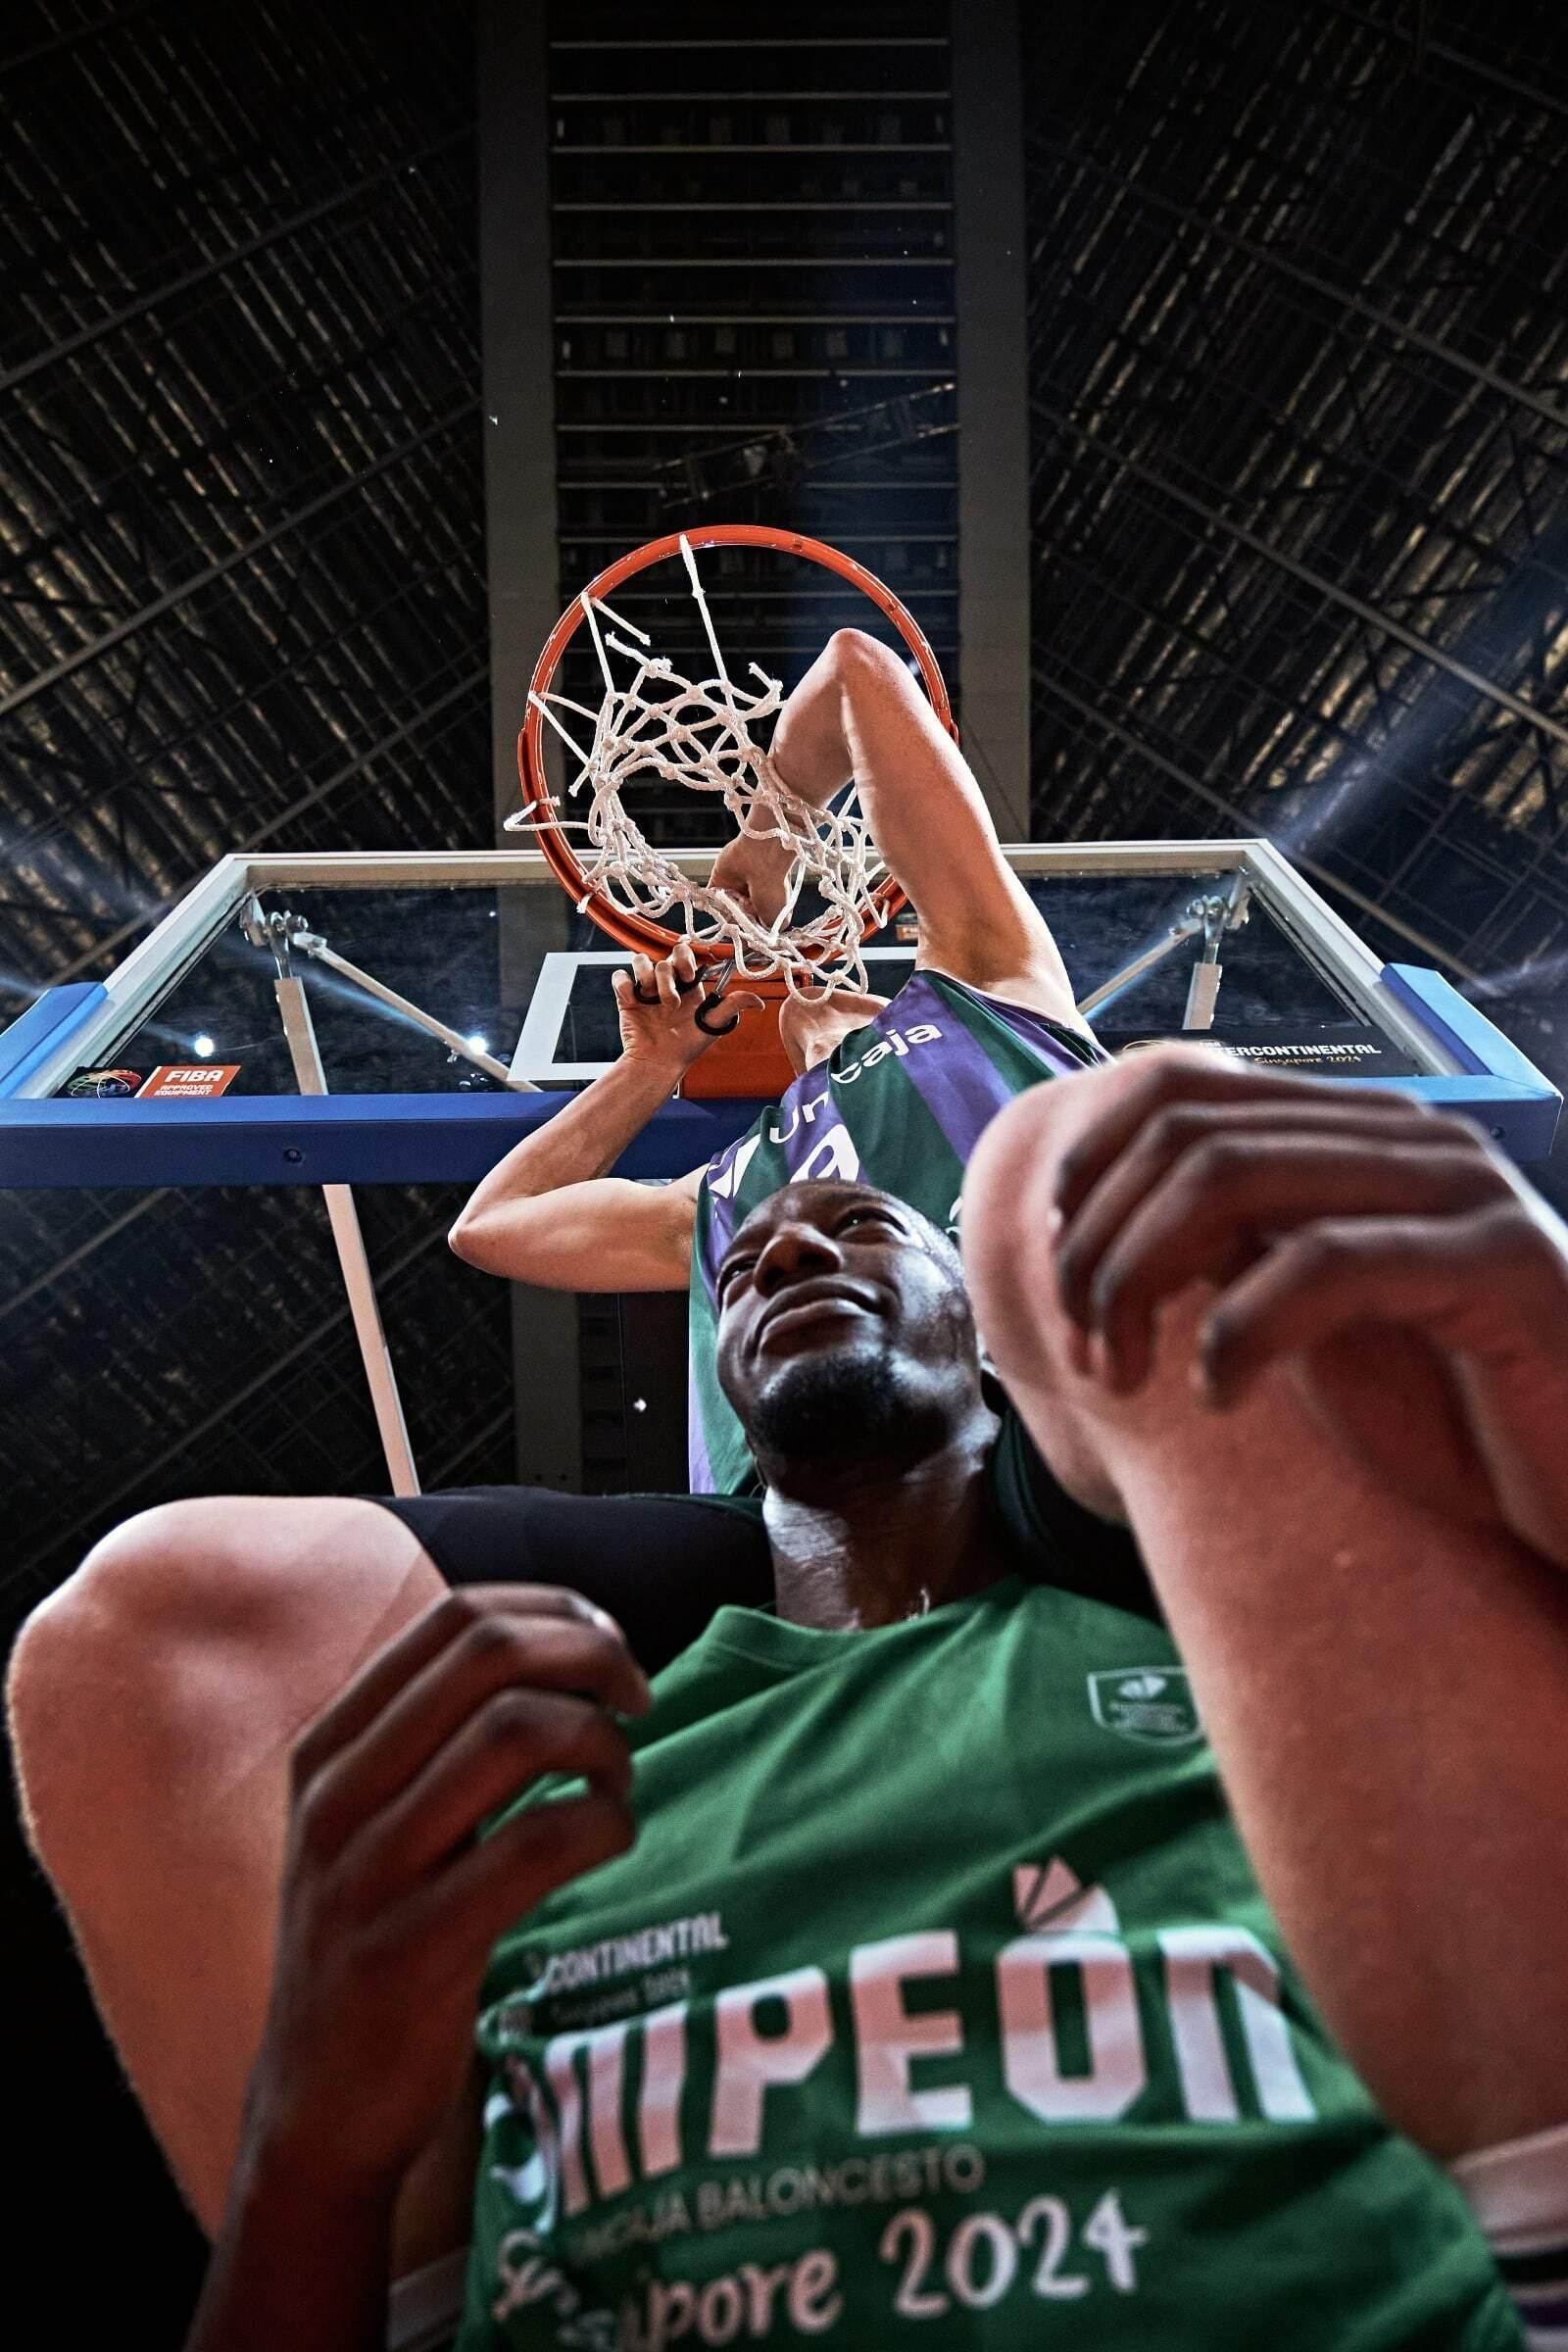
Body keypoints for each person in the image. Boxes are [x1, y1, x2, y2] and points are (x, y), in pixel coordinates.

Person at [23, 1050, 1566, 2348]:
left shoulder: (966, 1031)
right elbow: (500, 1224)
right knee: (127, 1630)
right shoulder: (559, 1794)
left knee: (1077, 1153)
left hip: (1091, 1397)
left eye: (857, 1227)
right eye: (746, 1267)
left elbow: (863, 691)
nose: (790, 1252)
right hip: (753, 1590)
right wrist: (314, 2156)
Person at [448, 624, 1102, 1494]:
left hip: (1052, 1409)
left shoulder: (988, 983)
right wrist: (648, 1068)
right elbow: (490, 1227)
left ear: (897, 984)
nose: (805, 971)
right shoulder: (726, 1188)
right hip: (805, 1538)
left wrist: (776, 830)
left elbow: (856, 669)